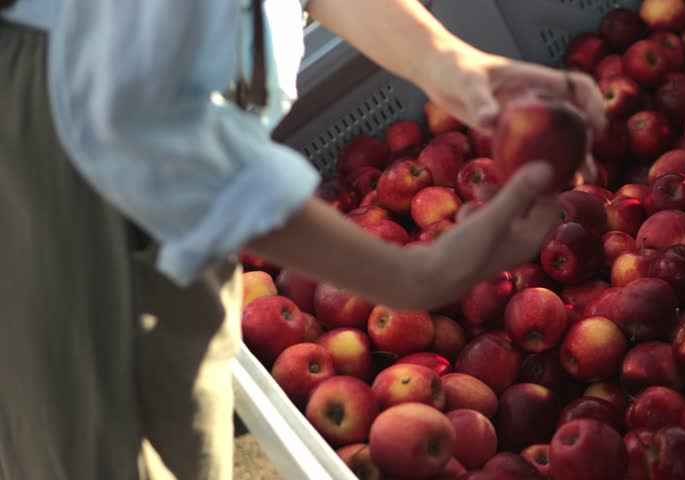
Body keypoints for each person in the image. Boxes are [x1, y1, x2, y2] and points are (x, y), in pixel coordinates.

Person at [0, 0, 605, 478]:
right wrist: (410, 277)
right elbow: (134, 112)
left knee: (184, 410)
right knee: (98, 443)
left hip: (178, 186)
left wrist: (445, 62)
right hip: (58, 185)